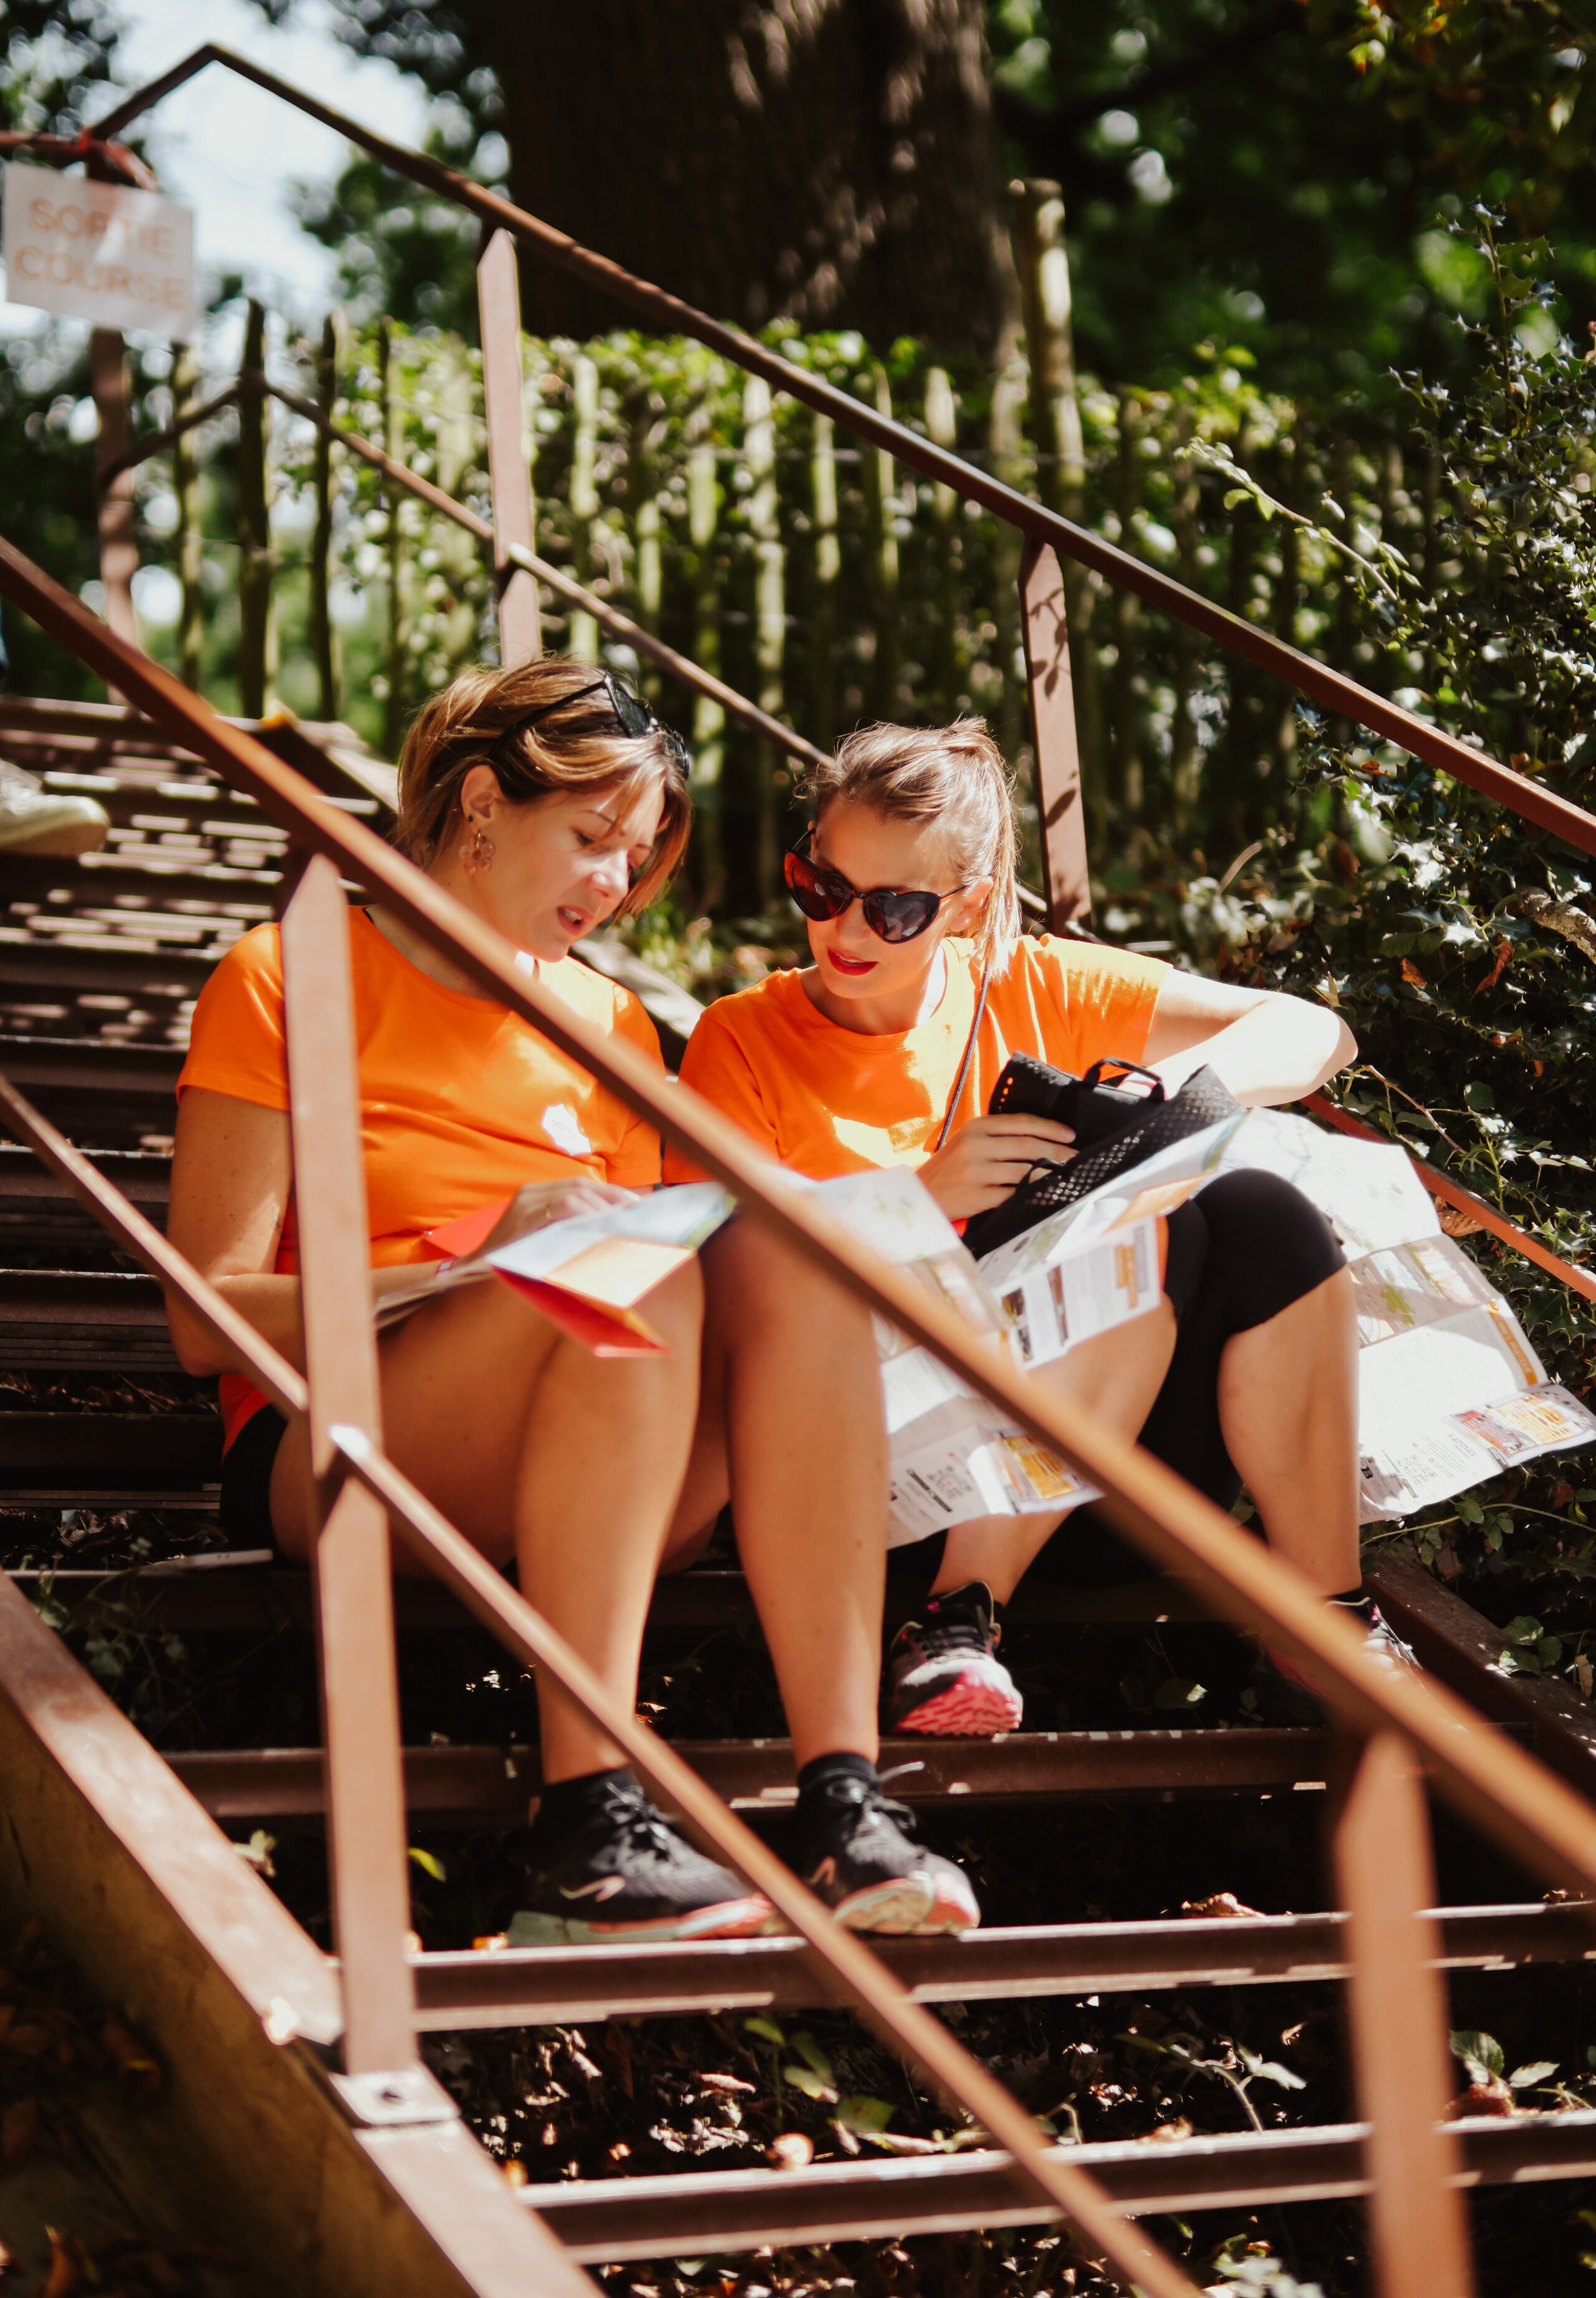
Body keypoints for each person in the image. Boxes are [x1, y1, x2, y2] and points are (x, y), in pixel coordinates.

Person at [165, 662, 976, 1943]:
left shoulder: (610, 1023)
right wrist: (477, 1263)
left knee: (788, 1252)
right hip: (338, 1437)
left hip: (605, 1439)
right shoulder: (287, 973)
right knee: (629, 1267)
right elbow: (201, 1319)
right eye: (590, 840)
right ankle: (589, 1823)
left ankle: (843, 1803)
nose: (611, 885)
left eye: (635, 857)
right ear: (481, 803)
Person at [667, 719, 1417, 1736]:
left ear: (968, 906)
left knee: (1254, 1209)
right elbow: (714, 1271)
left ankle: (1327, 1611)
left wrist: (1173, 1103)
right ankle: (952, 1619)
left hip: (1098, 1472)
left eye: (892, 908)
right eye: (822, 888)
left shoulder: (1028, 985)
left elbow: (1316, 1031)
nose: (846, 932)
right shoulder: (739, 1040)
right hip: (885, 1493)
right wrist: (918, 1198)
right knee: (1139, 1234)